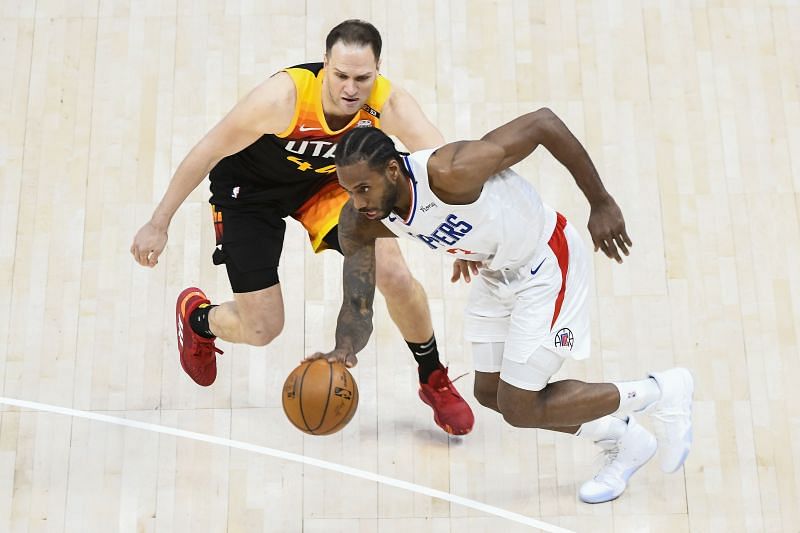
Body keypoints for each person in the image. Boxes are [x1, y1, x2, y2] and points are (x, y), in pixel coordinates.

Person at [310, 108, 694, 503]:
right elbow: (357, 301)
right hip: (497, 271)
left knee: (520, 405)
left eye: (363, 189)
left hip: (546, 260)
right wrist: (344, 348)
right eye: (349, 191)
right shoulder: (362, 221)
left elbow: (544, 123)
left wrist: (601, 202)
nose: (357, 203)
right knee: (491, 393)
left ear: (393, 171)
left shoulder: (451, 171)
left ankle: (662, 391)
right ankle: (625, 438)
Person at [129, 20, 474, 435]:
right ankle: (198, 319)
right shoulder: (283, 98)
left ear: (378, 69)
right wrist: (158, 222)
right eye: (341, 75)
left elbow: (444, 169)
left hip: (325, 185)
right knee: (262, 329)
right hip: (250, 189)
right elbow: (206, 151)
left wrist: (468, 243)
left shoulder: (390, 103)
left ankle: (432, 375)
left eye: (362, 78)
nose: (350, 88)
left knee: (395, 272)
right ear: (325, 63)